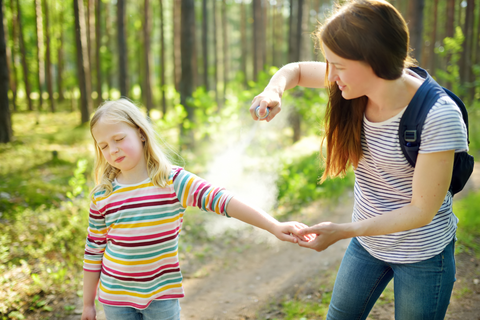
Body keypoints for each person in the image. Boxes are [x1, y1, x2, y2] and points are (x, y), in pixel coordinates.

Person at [250, 0, 468, 319]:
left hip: (422, 253)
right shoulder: (354, 84)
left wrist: (342, 230)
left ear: (373, 60)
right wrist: (273, 91)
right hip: (368, 246)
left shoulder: (438, 116)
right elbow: (294, 71)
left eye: (337, 64)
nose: (330, 74)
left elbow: (421, 211)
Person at [81, 99, 307, 320]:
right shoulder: (103, 195)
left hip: (161, 297)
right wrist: (87, 304)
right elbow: (94, 251)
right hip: (115, 299)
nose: (112, 150)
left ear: (141, 133)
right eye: (103, 146)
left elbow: (223, 200)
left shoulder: (172, 181)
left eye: (119, 139)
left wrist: (273, 225)